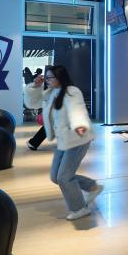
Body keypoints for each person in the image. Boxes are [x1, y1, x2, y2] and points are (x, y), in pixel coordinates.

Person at [24, 65, 103, 220]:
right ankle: (92, 186)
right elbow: (33, 103)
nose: (47, 80)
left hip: (77, 139)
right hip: (63, 141)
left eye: (50, 77)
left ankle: (79, 208)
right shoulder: (51, 92)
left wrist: (81, 129)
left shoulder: (72, 91)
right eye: (46, 77)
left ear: (60, 77)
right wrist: (35, 86)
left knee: (64, 177)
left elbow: (78, 111)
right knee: (56, 177)